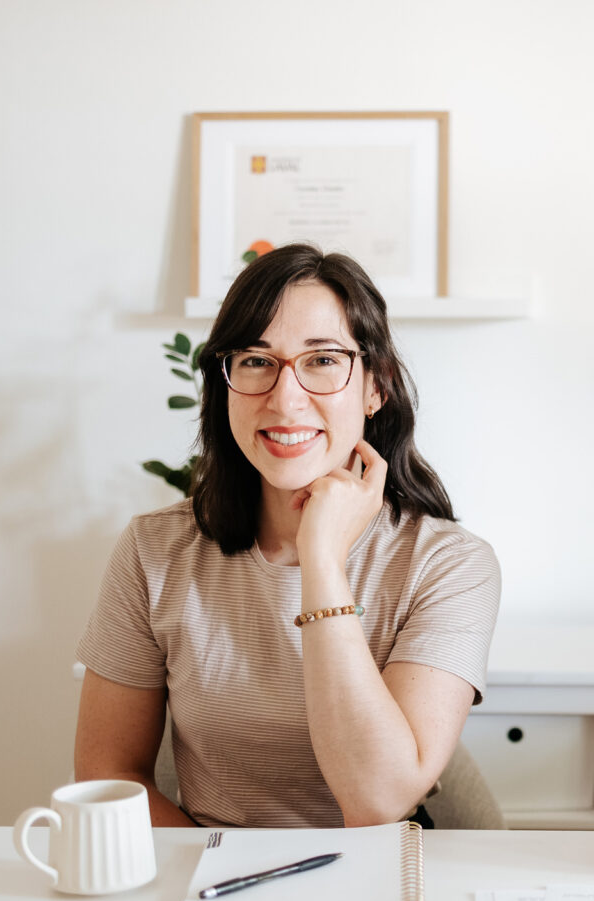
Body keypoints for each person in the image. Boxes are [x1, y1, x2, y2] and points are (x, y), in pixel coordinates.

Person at [74, 243, 500, 829]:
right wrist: (219, 879)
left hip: (380, 883)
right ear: (224, 383)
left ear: (375, 386)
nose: (285, 398)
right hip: (210, 884)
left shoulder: (451, 565)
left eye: (323, 360)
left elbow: (378, 802)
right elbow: (107, 772)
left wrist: (320, 559)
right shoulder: (153, 550)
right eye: (256, 360)